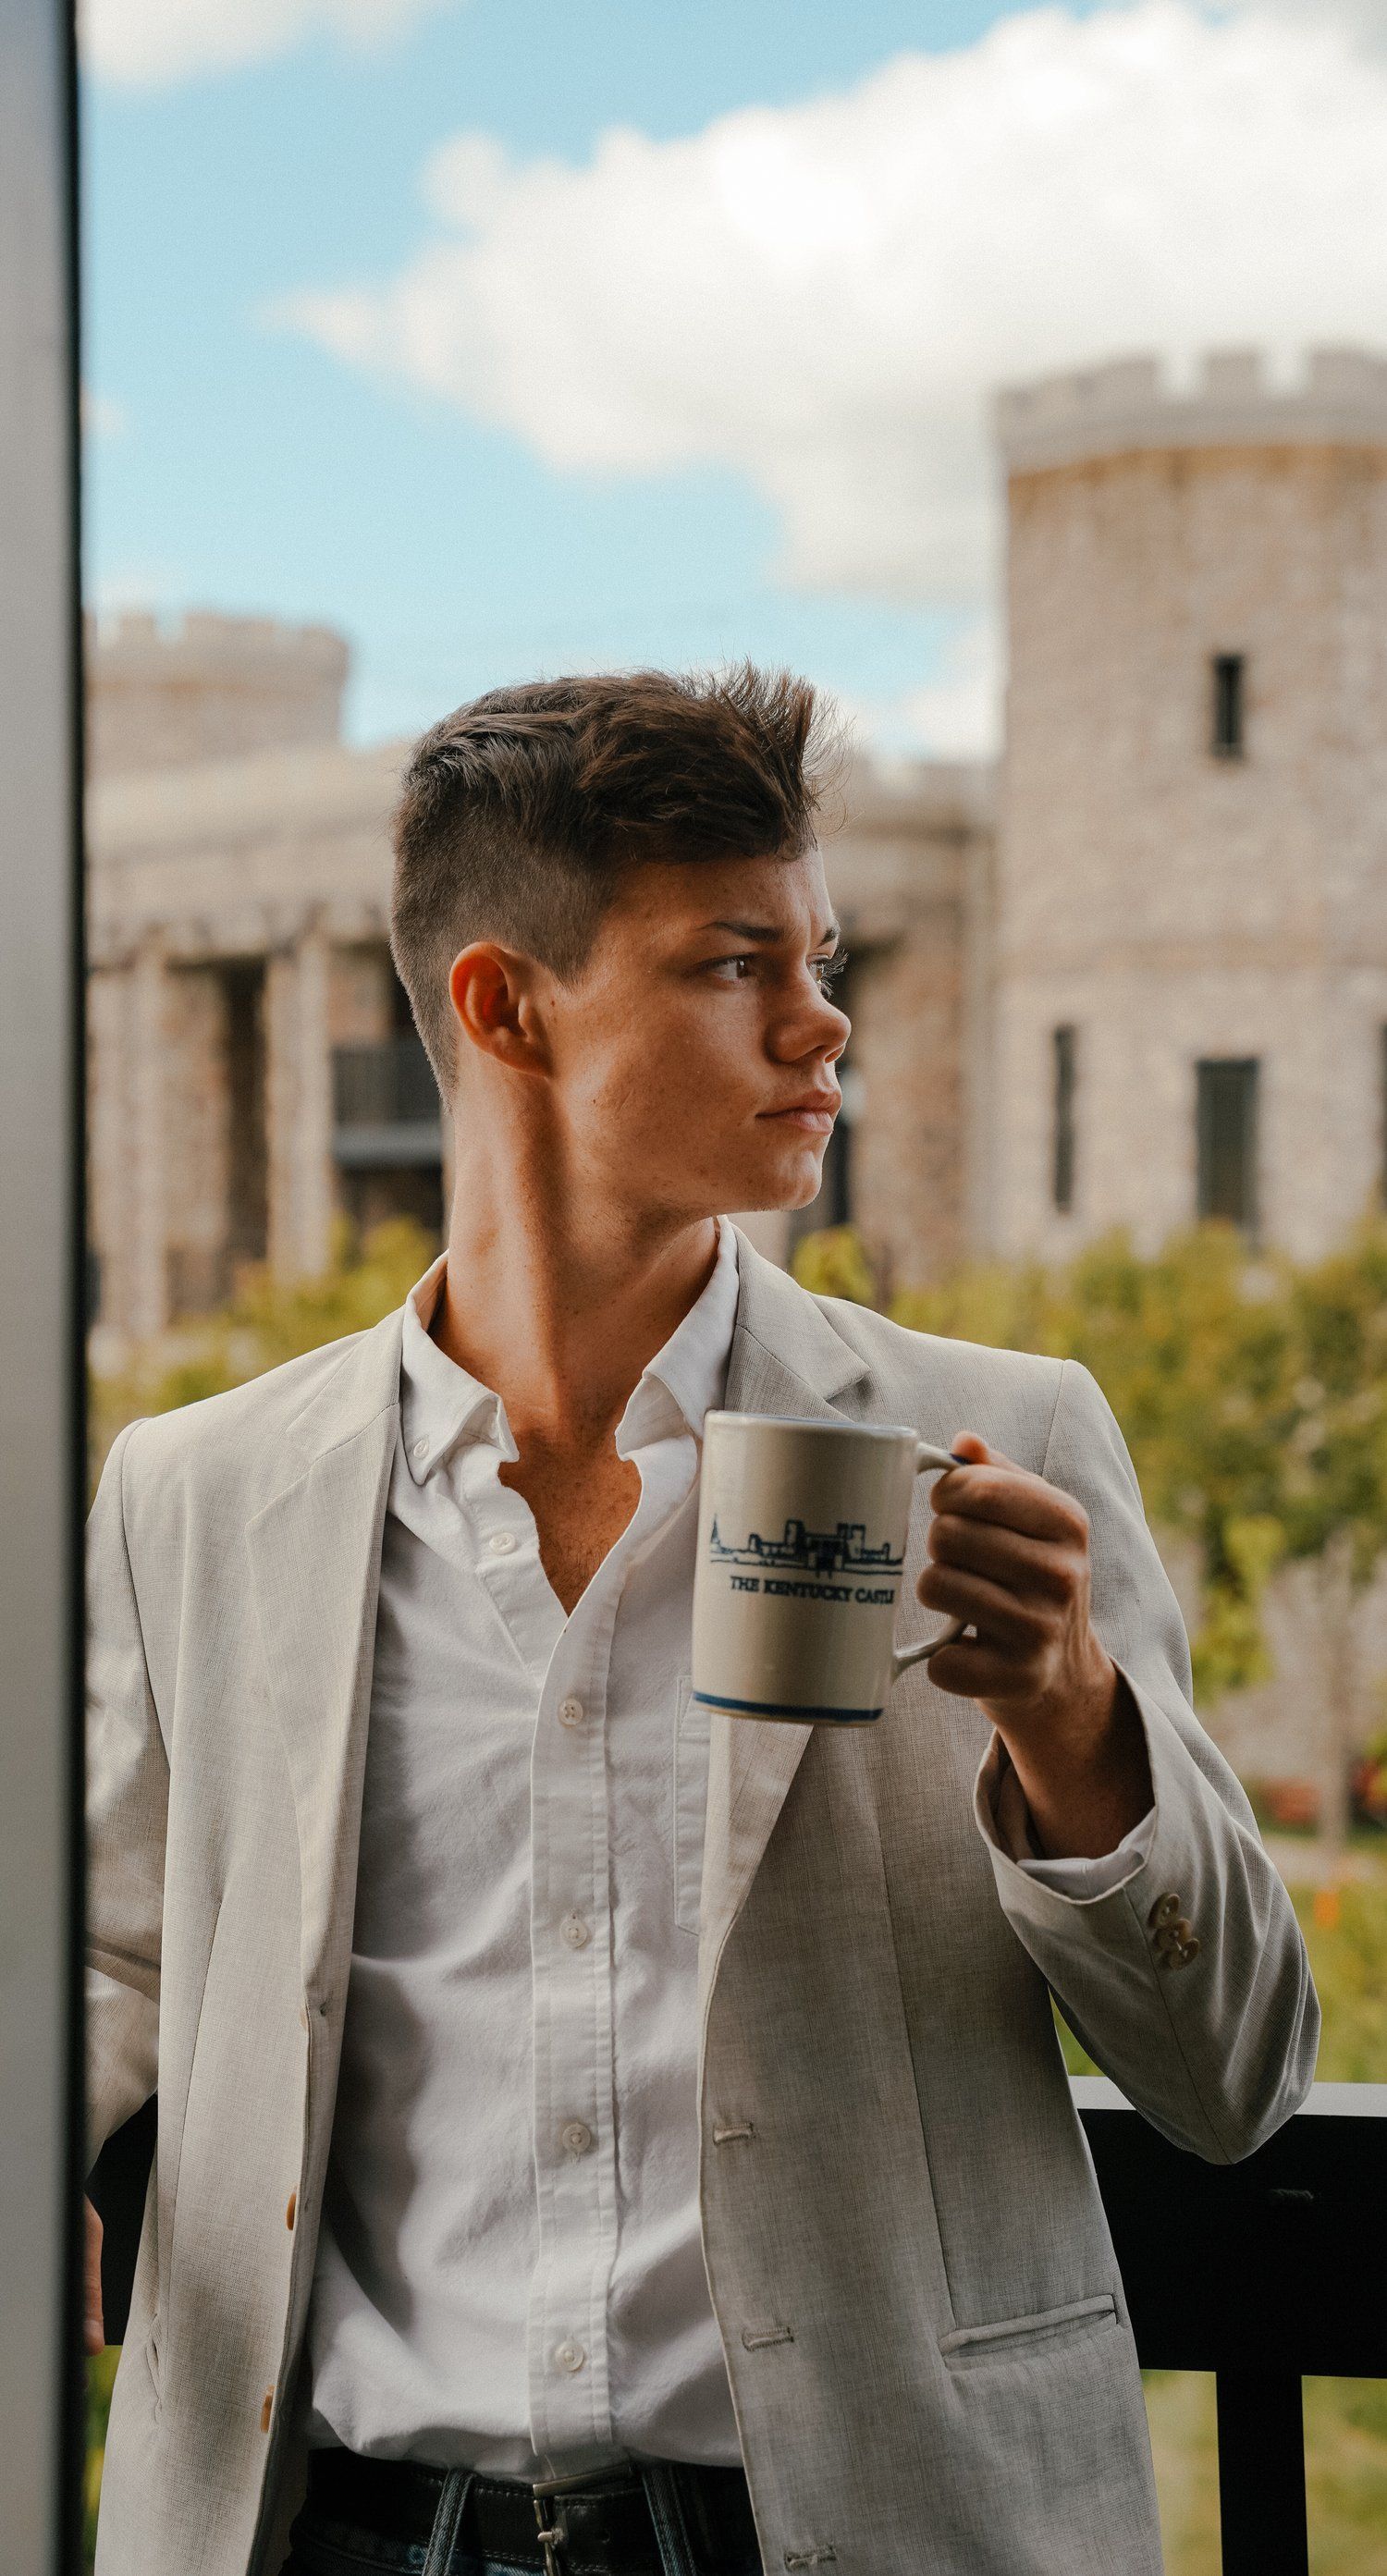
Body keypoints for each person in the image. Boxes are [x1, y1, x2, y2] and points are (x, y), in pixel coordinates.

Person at [83, 667, 1318, 2576]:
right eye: (737, 965)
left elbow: (1237, 2079)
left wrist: (1070, 1717)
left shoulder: (1010, 1440)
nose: (825, 1023)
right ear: (507, 1005)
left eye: (822, 959)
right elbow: (121, 1975)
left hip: (874, 2530)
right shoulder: (200, 1494)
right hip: (347, 2533)